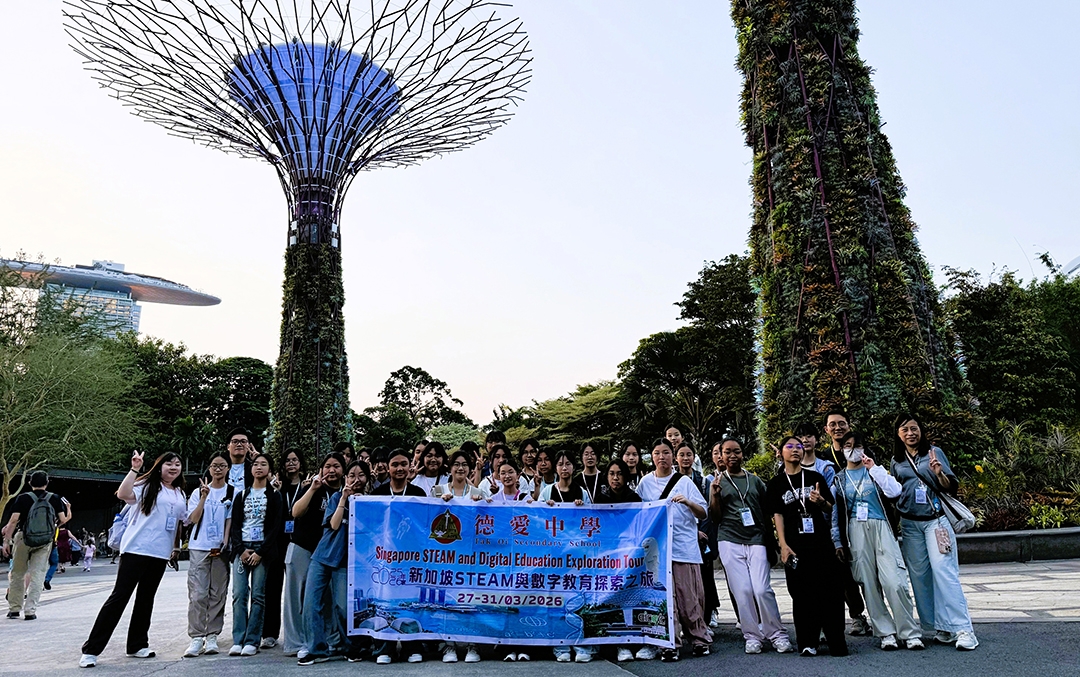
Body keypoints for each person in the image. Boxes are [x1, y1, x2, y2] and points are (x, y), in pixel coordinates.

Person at [80, 451, 188, 668]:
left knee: (146, 599)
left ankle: (137, 645)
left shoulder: (180, 493)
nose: (173, 468)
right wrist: (135, 469)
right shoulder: (146, 485)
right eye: (169, 464)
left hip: (160, 553)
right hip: (136, 550)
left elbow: (182, 521)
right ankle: (91, 650)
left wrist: (176, 548)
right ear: (159, 466)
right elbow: (123, 494)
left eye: (177, 464)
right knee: (119, 597)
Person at [890, 413, 978, 651]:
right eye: (905, 429)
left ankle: (963, 629)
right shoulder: (896, 461)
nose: (910, 433)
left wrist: (939, 473)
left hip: (936, 522)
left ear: (921, 430)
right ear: (898, 434)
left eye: (914, 428)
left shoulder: (934, 452)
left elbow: (951, 486)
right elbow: (895, 493)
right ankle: (940, 627)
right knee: (919, 577)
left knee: (944, 572)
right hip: (910, 524)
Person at [831, 433, 922, 651]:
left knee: (895, 581)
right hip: (855, 531)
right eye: (848, 446)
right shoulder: (839, 479)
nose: (853, 450)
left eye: (857, 445)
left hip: (881, 527)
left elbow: (895, 492)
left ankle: (909, 632)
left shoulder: (874, 471)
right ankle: (885, 632)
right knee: (868, 584)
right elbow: (835, 514)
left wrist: (874, 468)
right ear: (842, 450)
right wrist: (837, 541)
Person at [709, 438, 792, 655]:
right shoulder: (717, 482)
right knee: (743, 591)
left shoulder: (755, 481)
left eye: (736, 451)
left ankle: (777, 634)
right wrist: (715, 496)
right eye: (727, 452)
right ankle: (752, 635)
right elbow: (715, 517)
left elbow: (767, 510)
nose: (732, 456)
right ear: (721, 456)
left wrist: (773, 540)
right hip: (729, 539)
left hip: (756, 538)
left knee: (762, 589)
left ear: (743, 454)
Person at [766, 437, 847, 658]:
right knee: (802, 594)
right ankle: (808, 641)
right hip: (795, 545)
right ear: (780, 452)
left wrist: (820, 502)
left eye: (799, 447)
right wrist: (783, 545)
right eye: (790, 446)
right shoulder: (776, 483)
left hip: (821, 542)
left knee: (830, 591)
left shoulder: (815, 477)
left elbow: (830, 508)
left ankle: (836, 641)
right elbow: (777, 515)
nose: (795, 450)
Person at [637, 438, 711, 661]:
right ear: (652, 456)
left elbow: (703, 512)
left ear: (673, 456)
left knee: (689, 598)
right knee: (664, 599)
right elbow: (637, 514)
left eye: (666, 452)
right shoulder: (645, 483)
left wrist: (688, 502)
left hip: (684, 548)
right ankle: (669, 643)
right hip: (658, 552)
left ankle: (699, 639)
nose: (662, 457)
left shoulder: (684, 482)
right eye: (657, 453)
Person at [299, 461, 366, 665]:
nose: (356, 479)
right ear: (345, 478)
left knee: (343, 607)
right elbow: (335, 525)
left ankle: (351, 647)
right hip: (322, 556)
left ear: (368, 479)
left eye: (361, 475)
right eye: (351, 475)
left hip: (346, 560)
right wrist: (344, 499)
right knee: (311, 603)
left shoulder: (370, 501)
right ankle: (316, 649)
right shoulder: (337, 497)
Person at [284, 453, 345, 658]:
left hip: (329, 552)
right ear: (321, 469)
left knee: (327, 599)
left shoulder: (346, 493)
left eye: (336, 466)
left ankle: (328, 639)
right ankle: (296, 643)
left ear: (343, 470)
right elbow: (296, 512)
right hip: (303, 546)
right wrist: (312, 489)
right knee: (298, 598)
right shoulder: (313, 488)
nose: (331, 470)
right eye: (327, 466)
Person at [369, 448, 427, 664]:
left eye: (403, 464)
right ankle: (385, 647)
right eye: (395, 464)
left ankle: (412, 647)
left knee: (410, 601)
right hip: (383, 558)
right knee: (384, 601)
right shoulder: (377, 493)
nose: (399, 468)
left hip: (411, 558)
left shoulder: (418, 493)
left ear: (410, 466)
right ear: (388, 467)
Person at [540, 451, 594, 663]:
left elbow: (591, 522)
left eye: (568, 464)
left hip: (576, 557)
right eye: (560, 464)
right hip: (553, 557)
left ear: (574, 467)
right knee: (556, 600)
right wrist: (545, 508)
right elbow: (537, 520)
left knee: (577, 600)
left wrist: (583, 509)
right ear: (555, 468)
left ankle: (581, 645)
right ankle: (560, 645)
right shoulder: (547, 492)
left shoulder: (582, 492)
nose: (564, 468)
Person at [228, 452, 282, 657]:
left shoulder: (274, 495)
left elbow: (275, 528)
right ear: (250, 470)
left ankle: (252, 640)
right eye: (256, 464)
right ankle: (238, 639)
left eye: (264, 464)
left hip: (262, 550)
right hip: (242, 549)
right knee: (239, 594)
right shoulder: (242, 495)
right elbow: (235, 525)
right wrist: (240, 550)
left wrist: (260, 552)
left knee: (258, 595)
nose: (259, 467)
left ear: (270, 470)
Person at [183, 452, 234, 658]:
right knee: (198, 593)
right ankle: (196, 636)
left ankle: (212, 635)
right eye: (214, 465)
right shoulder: (198, 492)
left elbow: (230, 520)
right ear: (209, 468)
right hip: (199, 547)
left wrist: (225, 541)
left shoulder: (233, 491)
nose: (218, 469)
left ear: (228, 469)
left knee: (218, 593)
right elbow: (194, 519)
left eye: (222, 465)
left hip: (220, 549)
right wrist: (204, 497)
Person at [3, 471, 70, 620]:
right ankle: (30, 611)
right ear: (47, 483)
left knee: (17, 573)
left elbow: (13, 521)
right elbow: (63, 519)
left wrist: (6, 541)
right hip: (44, 541)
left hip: (23, 538)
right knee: (38, 574)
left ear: (30, 483)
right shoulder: (54, 498)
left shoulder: (22, 498)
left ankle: (14, 609)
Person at [262, 449, 305, 650]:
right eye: (287, 460)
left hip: (298, 541)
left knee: (298, 590)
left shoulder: (306, 485)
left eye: (295, 460)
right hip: (278, 542)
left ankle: (300, 632)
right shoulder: (278, 485)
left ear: (301, 463)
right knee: (272, 587)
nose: (291, 463)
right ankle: (270, 633)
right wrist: (275, 492)